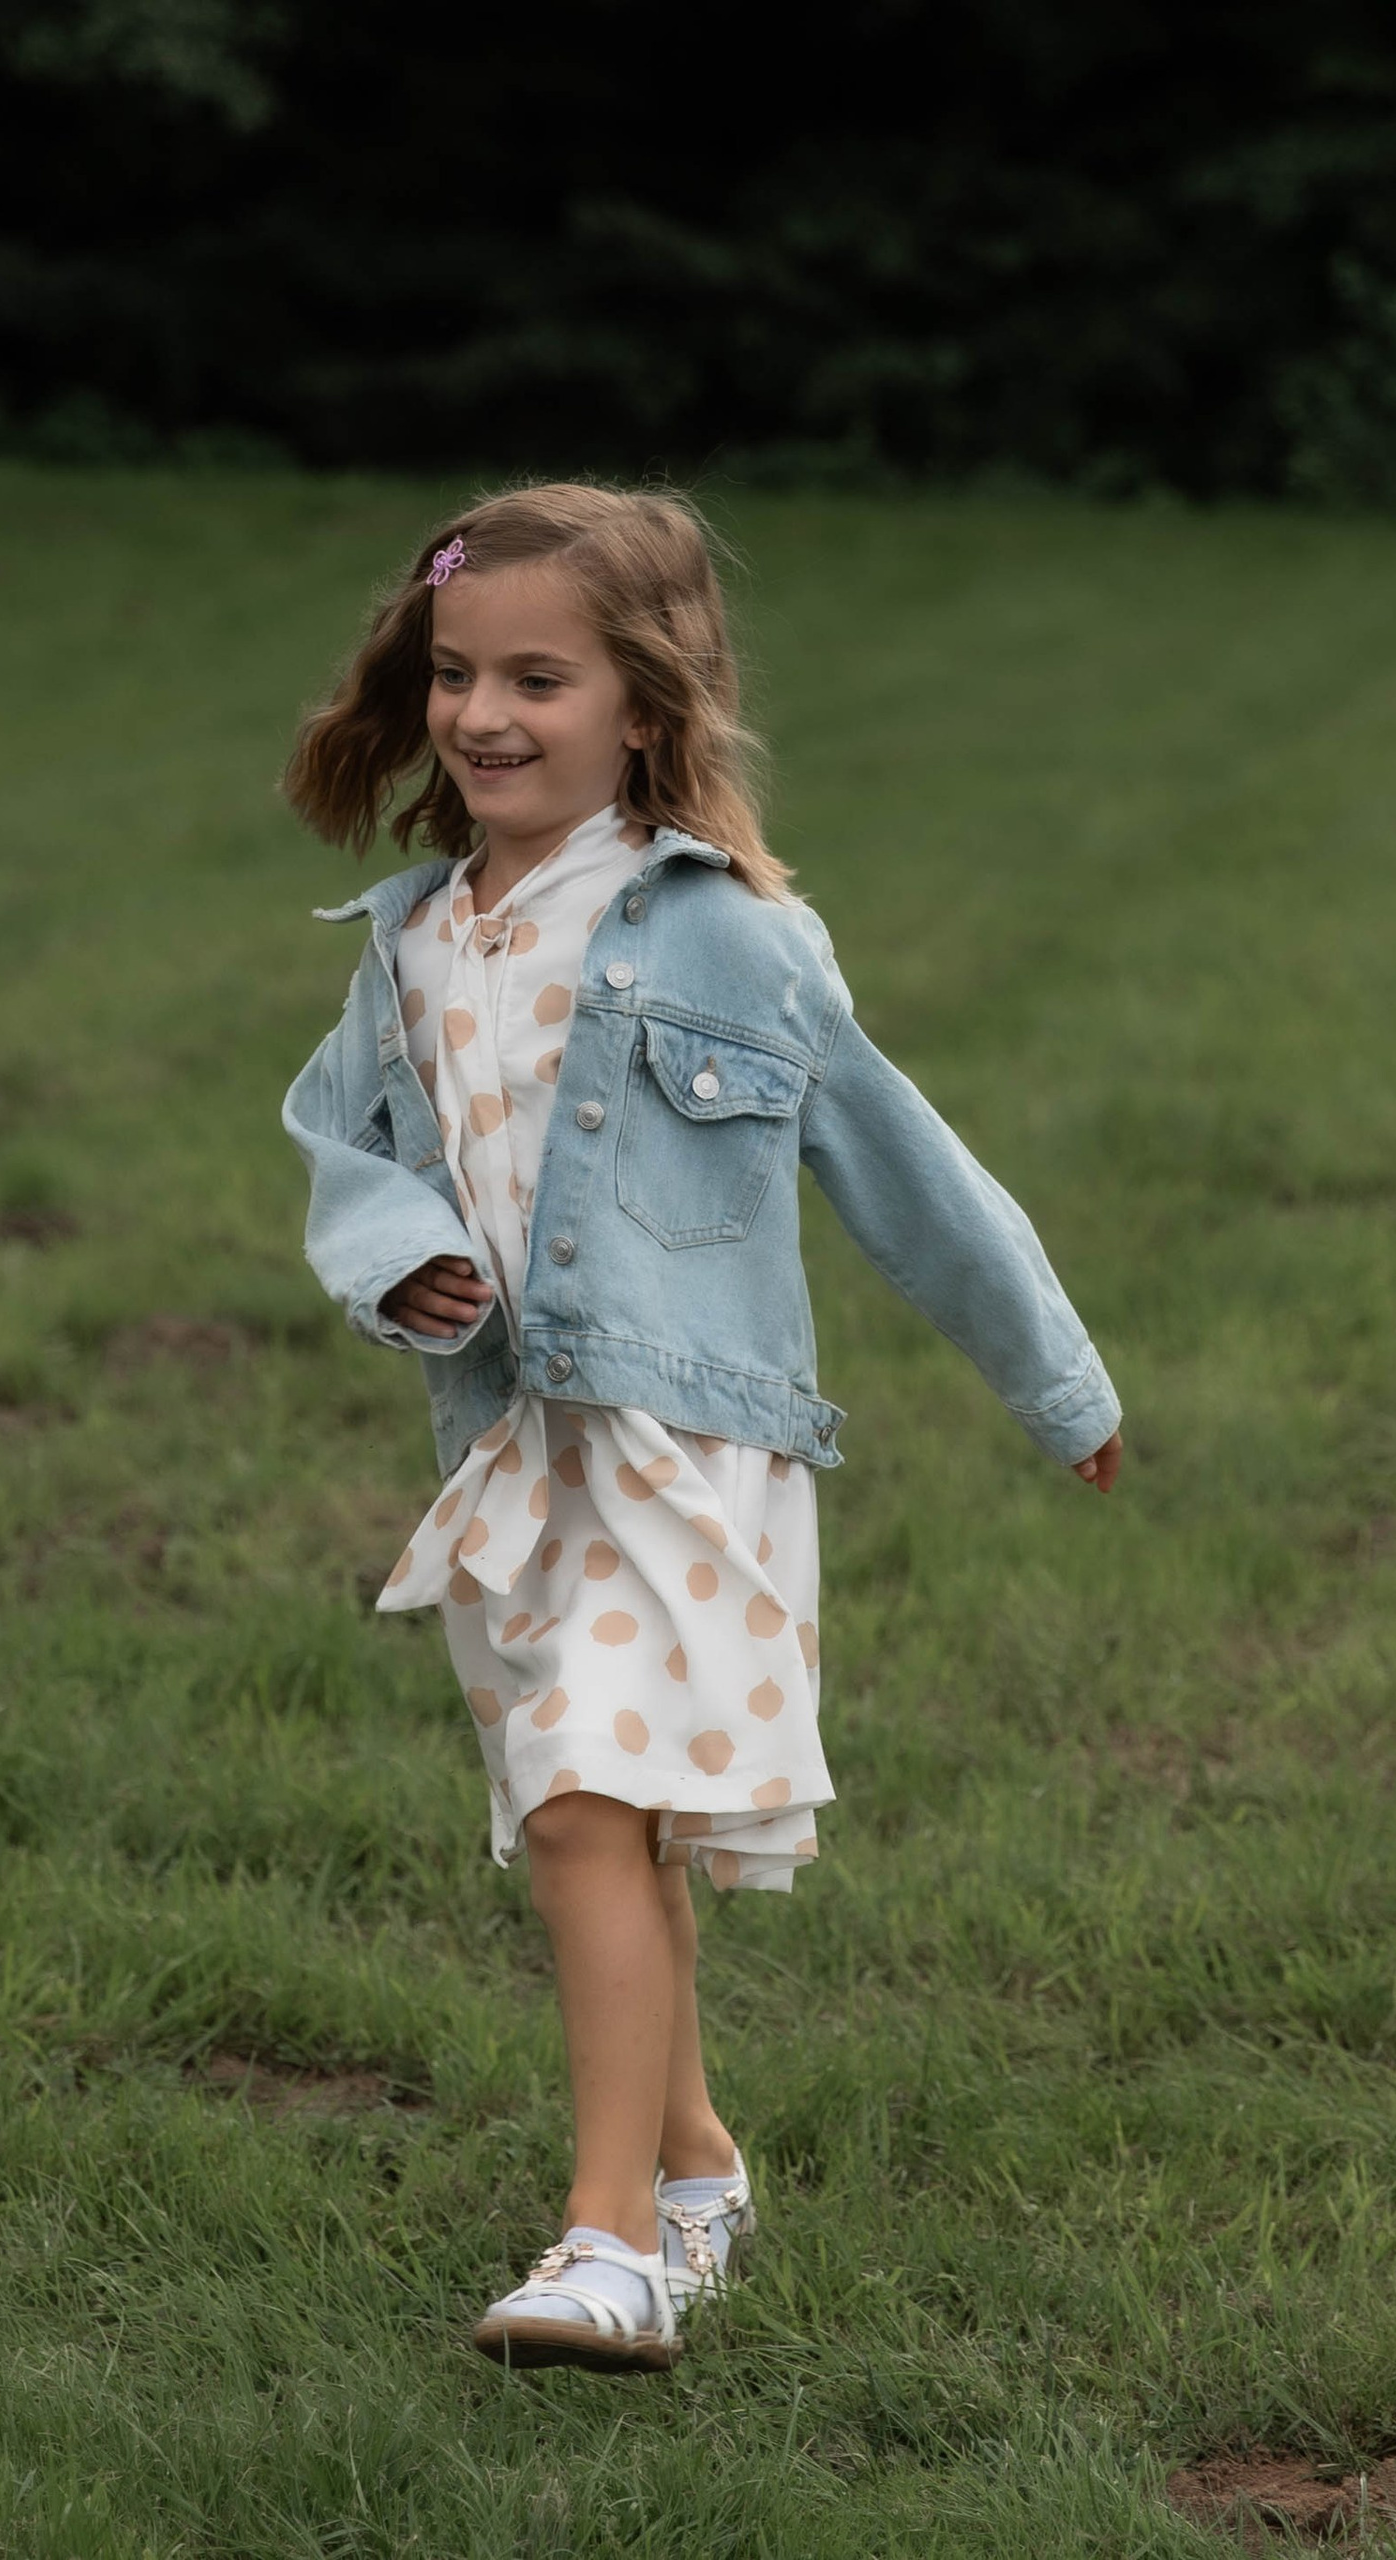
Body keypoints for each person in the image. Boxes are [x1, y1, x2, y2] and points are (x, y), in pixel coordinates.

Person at [280, 487, 1122, 2372]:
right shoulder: (415, 938)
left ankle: (608, 2247)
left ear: (644, 704)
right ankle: (701, 2168)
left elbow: (910, 1169)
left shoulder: (731, 937)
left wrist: (1060, 1385)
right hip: (509, 1454)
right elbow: (341, 1140)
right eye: (455, 674)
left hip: (682, 1446)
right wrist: (399, 1249)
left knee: (585, 1806)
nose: (485, 715)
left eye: (538, 679)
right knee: (608, 1821)